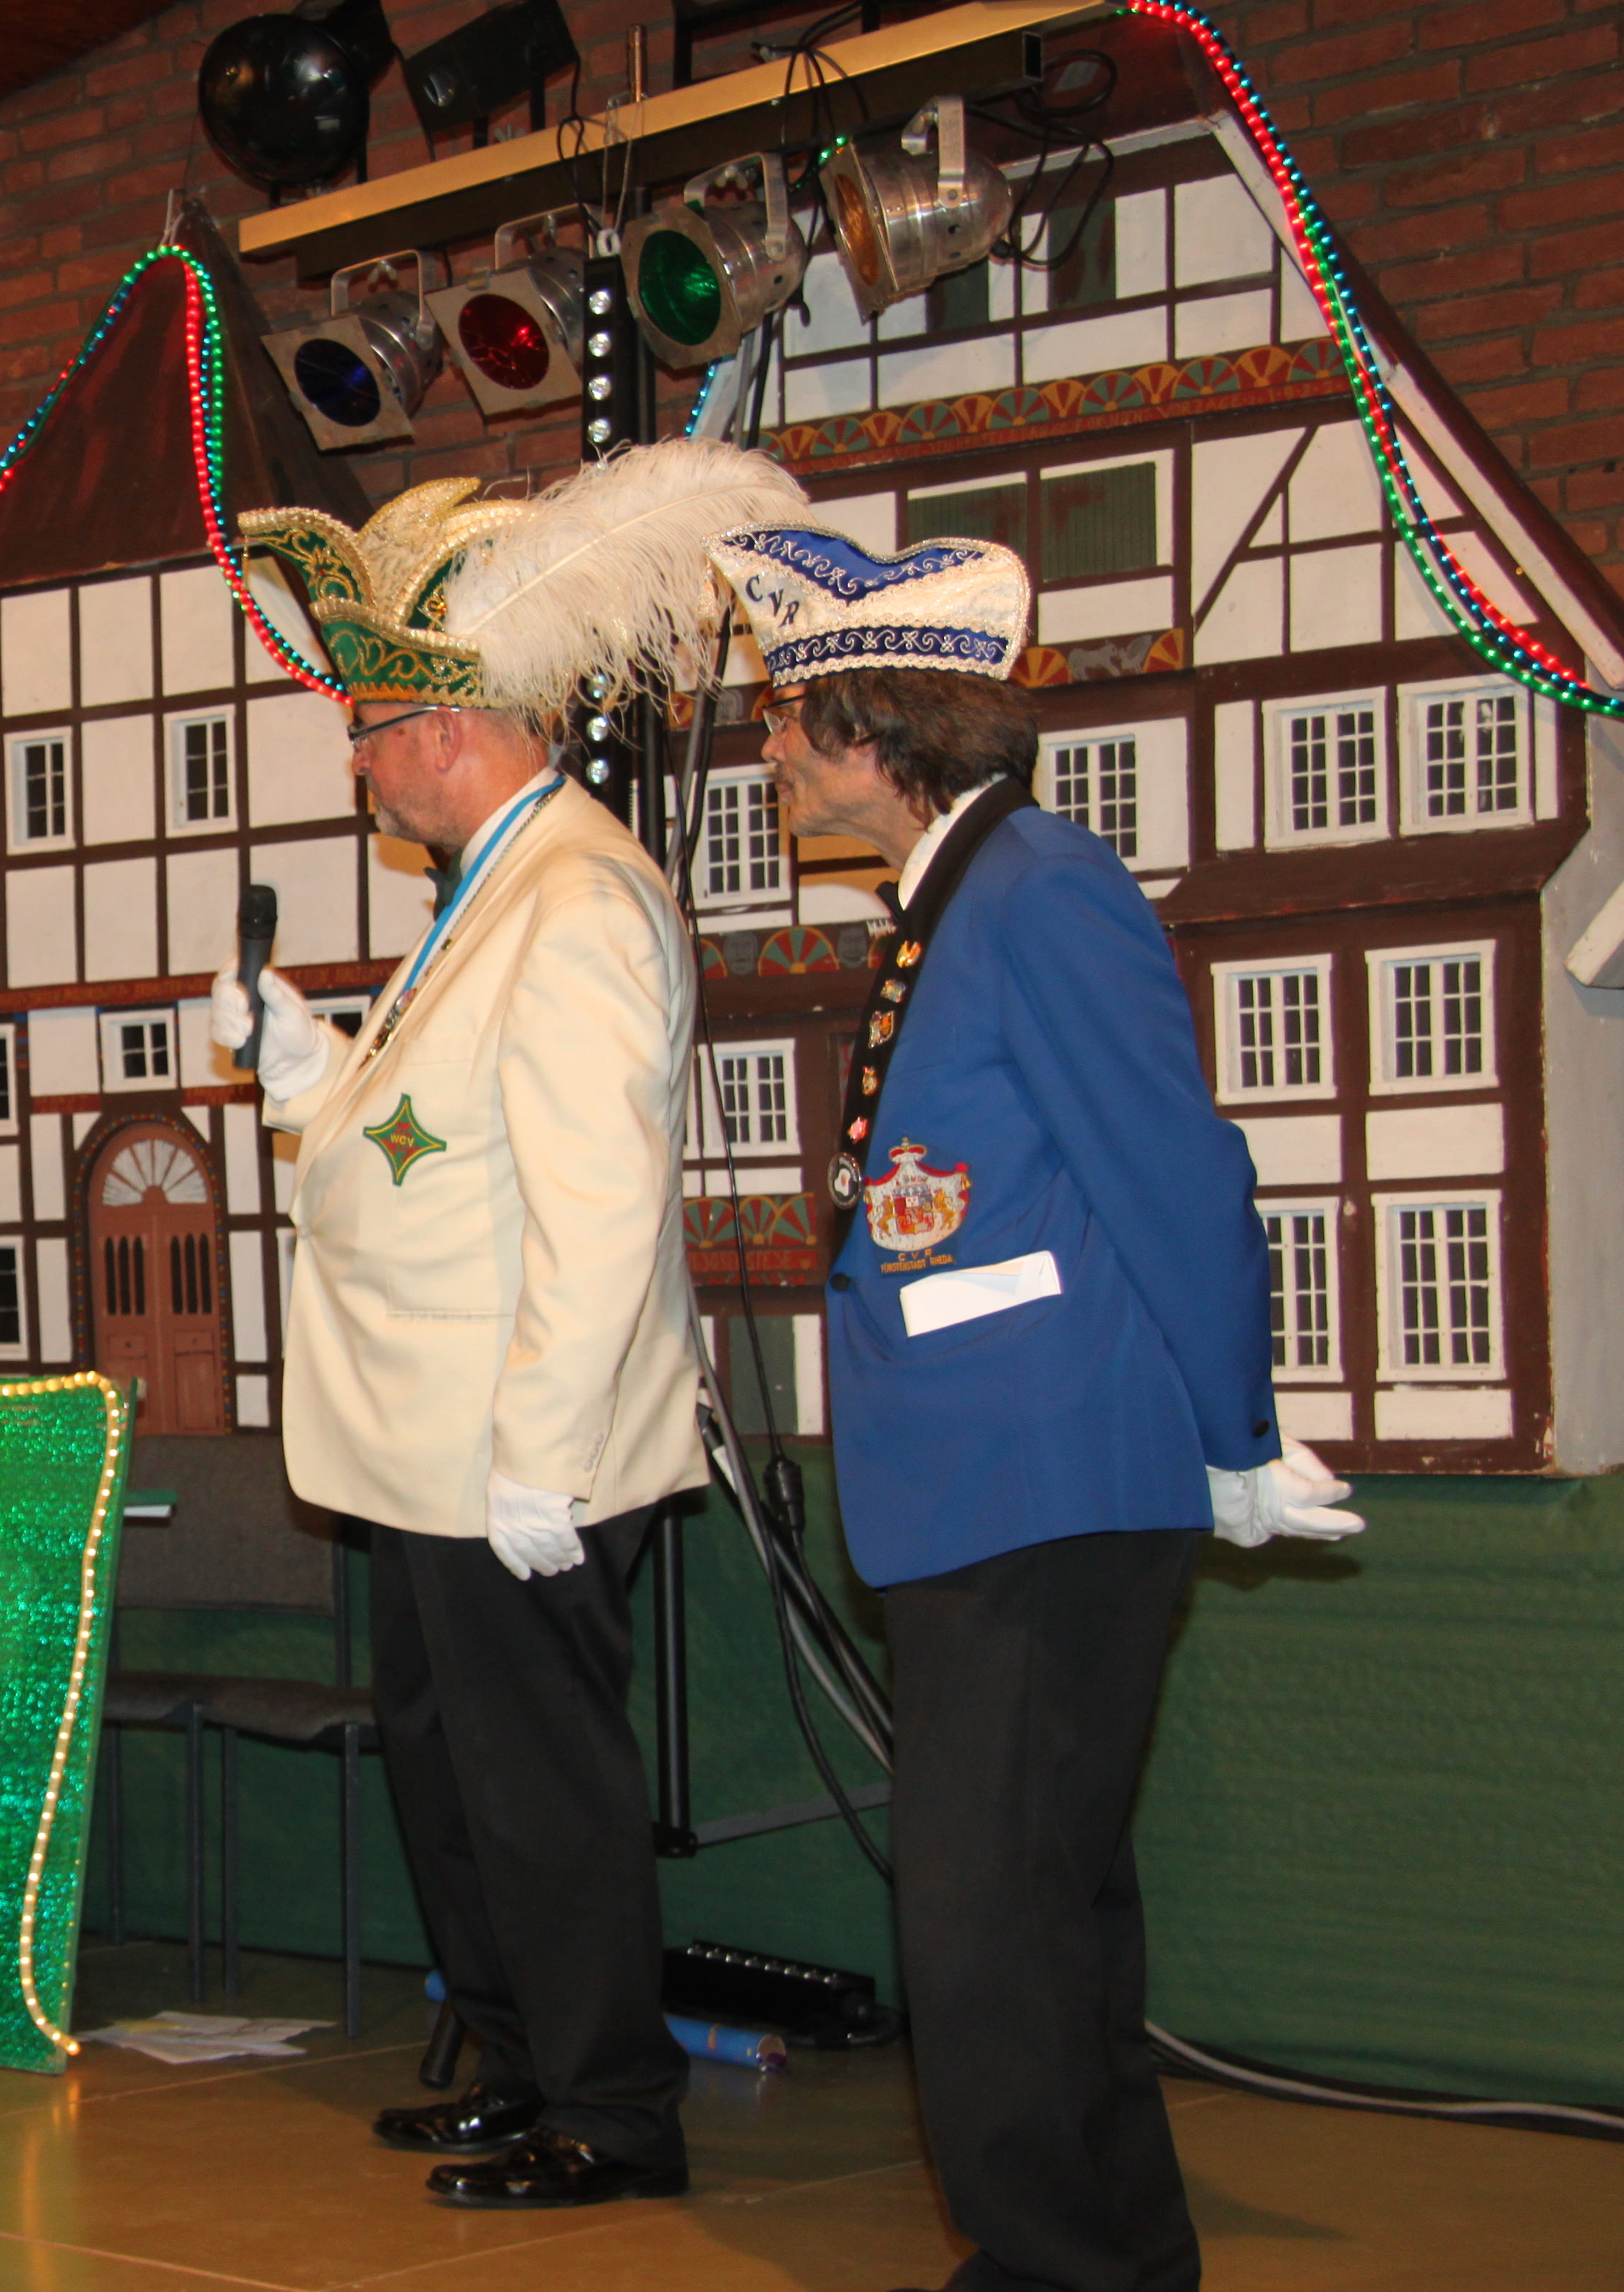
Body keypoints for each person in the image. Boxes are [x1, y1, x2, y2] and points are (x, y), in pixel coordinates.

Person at [707, 525, 1366, 2292]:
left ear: (868, 726)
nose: (769, 751)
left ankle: (1055, 2270)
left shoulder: (1040, 886)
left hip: (1047, 1486)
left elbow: (1177, 1172)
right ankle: (1110, 2263)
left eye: (785, 718)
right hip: (999, 1485)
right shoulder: (965, 893)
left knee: (990, 1931)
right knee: (1041, 1920)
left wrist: (1237, 1433)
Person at [223, 443, 807, 2209]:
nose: (357, 763)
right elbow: (431, 1141)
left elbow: (597, 1213)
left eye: (370, 731)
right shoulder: (493, 888)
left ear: (448, 729)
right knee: (455, 1775)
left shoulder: (575, 902)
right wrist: (305, 1065)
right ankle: (517, 2058)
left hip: (512, 1449)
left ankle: (613, 2109)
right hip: (434, 1448)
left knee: (540, 1788)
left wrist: (547, 1456)